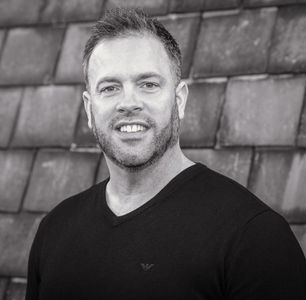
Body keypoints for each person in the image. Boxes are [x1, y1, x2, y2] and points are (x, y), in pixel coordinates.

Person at [26, 8, 306, 300]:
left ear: (180, 100)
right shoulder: (54, 231)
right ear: (89, 108)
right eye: (110, 88)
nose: (128, 103)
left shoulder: (254, 238)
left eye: (148, 84)